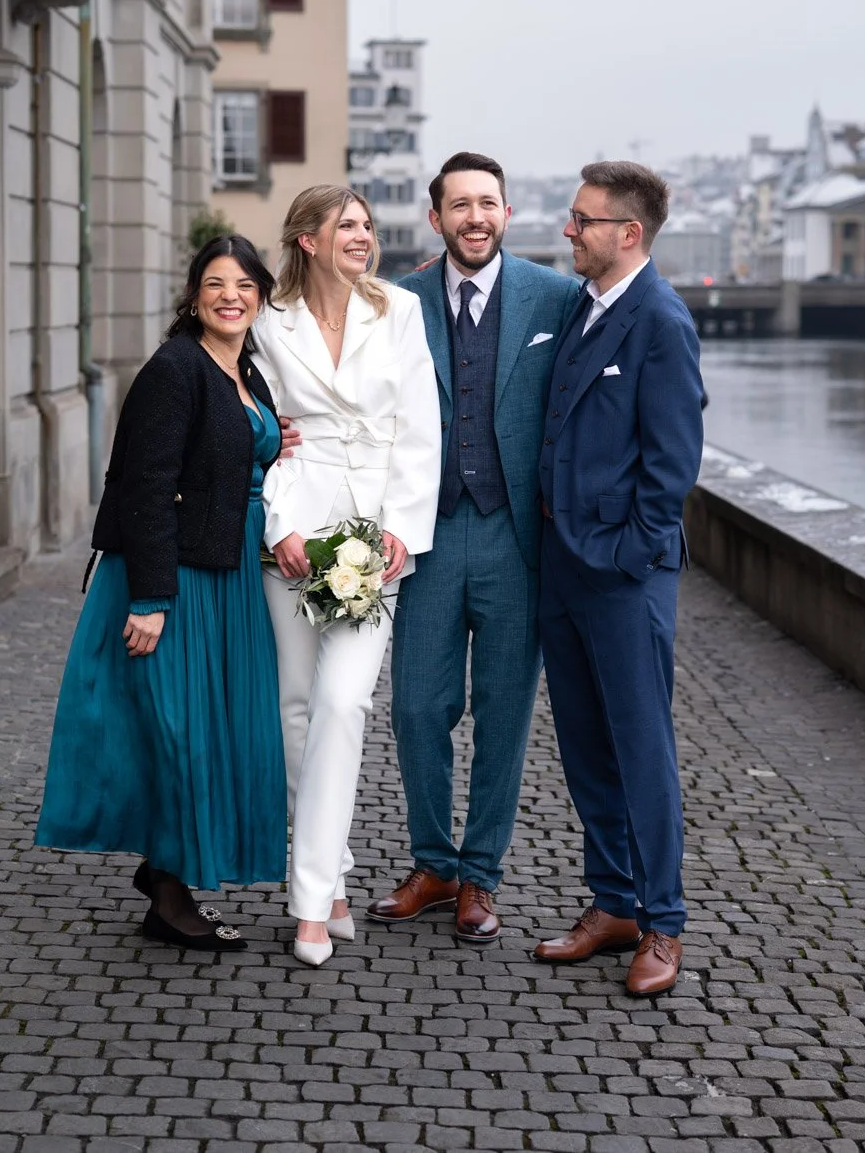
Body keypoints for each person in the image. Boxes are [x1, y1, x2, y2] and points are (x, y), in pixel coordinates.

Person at [36, 236, 288, 951]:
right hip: (172, 578)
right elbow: (146, 484)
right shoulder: (174, 369)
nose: (229, 295)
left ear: (261, 294)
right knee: (177, 732)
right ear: (193, 294)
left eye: (243, 283)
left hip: (227, 569)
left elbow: (234, 452)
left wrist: (273, 442)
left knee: (209, 728)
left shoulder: (245, 369)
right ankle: (170, 893)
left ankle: (169, 874)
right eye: (214, 283)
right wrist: (150, 599)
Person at [368, 152, 578, 944]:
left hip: (516, 539)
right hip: (424, 535)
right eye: (460, 206)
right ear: (436, 219)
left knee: (503, 716)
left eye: (488, 203)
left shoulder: (555, 297)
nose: (475, 217)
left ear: (507, 212)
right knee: (418, 708)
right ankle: (433, 863)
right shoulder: (397, 302)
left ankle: (480, 877)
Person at [252, 185, 441, 967]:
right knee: (297, 711)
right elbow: (258, 431)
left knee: (341, 702)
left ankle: (307, 907)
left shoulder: (397, 312)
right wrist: (278, 524)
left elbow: (420, 428)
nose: (364, 236)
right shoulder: (268, 322)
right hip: (295, 530)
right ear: (307, 240)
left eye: (366, 225)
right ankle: (328, 881)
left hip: (371, 537)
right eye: (348, 226)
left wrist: (400, 528)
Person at [533, 161, 705, 997]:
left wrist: (625, 557)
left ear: (627, 233)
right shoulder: (583, 308)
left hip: (622, 576)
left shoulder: (661, 322)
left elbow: (672, 468)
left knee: (643, 751)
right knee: (585, 748)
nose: (570, 231)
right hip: (561, 572)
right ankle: (614, 904)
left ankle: (663, 925)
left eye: (582, 220)